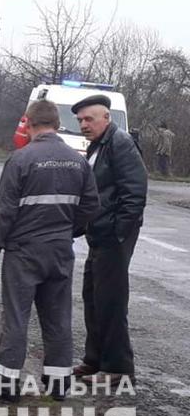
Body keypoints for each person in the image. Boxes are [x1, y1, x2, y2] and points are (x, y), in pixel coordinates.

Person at [0, 99, 100, 401]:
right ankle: (59, 385)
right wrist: (68, 230)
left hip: (23, 252)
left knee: (16, 318)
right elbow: (90, 206)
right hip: (60, 251)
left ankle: (7, 387)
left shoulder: (21, 159)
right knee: (59, 318)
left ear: (29, 124)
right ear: (58, 125)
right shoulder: (78, 161)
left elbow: (4, 211)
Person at [72, 94, 148, 388]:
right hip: (99, 234)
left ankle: (117, 367)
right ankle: (94, 360)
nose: (83, 124)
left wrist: (118, 232)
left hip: (114, 237)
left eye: (89, 119)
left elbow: (135, 192)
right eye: (80, 120)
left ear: (107, 118)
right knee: (93, 297)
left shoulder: (120, 143)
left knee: (111, 301)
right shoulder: (98, 145)